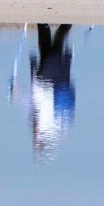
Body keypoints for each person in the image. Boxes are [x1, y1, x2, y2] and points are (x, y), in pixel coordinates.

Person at [29, 23, 75, 161]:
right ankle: (55, 23)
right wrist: (33, 64)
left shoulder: (58, 129)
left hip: (60, 80)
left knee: (51, 47)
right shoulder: (45, 120)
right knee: (53, 45)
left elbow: (34, 98)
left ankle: (49, 24)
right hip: (50, 77)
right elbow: (37, 93)